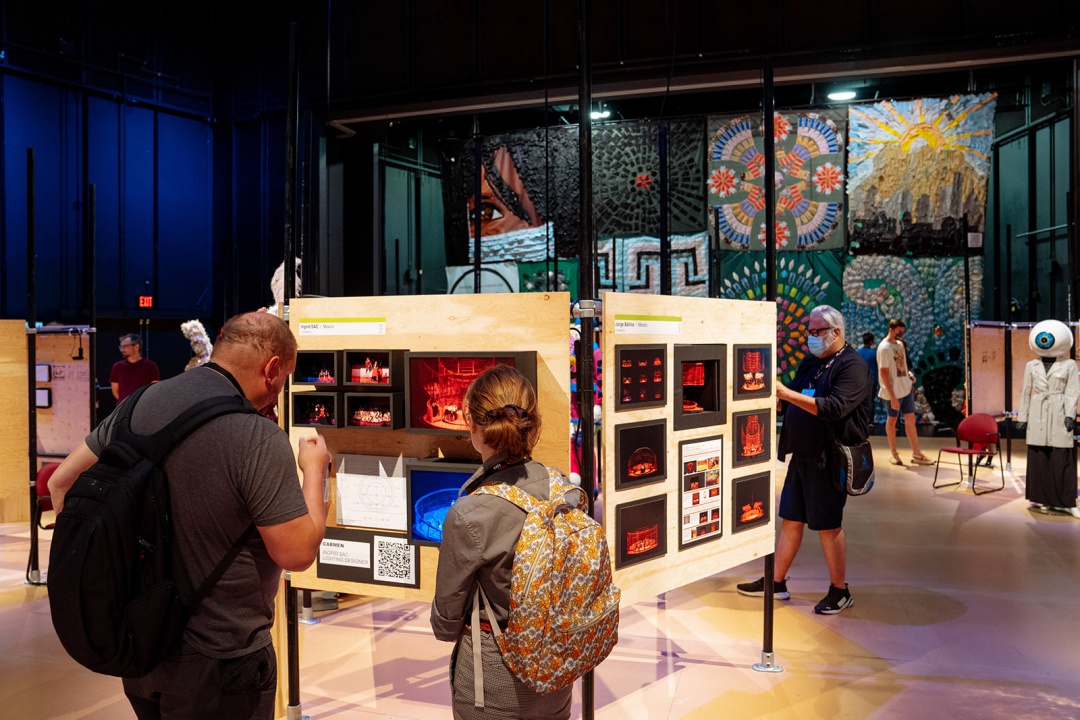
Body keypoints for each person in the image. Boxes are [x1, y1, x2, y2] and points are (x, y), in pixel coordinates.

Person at [49, 312, 330, 720]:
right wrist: (316, 470)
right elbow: (297, 553)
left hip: (142, 643)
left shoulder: (139, 402)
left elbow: (60, 483)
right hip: (223, 658)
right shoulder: (257, 436)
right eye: (284, 377)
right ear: (272, 369)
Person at [430, 365, 572, 719]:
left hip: (492, 684)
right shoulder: (564, 490)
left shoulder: (468, 513)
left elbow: (445, 623)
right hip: (557, 673)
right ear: (532, 424)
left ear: (473, 426)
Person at [737, 305, 872, 615]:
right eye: (808, 331)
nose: (811, 337)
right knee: (791, 519)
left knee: (828, 525)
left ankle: (840, 590)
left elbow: (834, 407)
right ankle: (776, 582)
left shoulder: (853, 366)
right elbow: (791, 401)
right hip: (802, 455)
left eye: (817, 331)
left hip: (830, 457)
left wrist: (785, 393)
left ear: (836, 332)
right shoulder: (812, 362)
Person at [1017, 319, 1080, 518]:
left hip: (1059, 409)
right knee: (1039, 455)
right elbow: (1025, 392)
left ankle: (1067, 502)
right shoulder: (1031, 365)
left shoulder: (1069, 364)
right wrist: (1023, 416)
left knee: (1062, 456)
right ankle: (1043, 498)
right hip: (1038, 410)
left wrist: (1070, 414)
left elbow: (1072, 391)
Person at [877, 319, 933, 466]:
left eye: (902, 332)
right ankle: (894, 453)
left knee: (910, 419)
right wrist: (892, 397)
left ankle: (917, 453)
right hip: (892, 391)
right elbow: (884, 373)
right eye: (899, 332)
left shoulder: (900, 345)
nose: (901, 334)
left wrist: (908, 375)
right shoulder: (884, 348)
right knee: (892, 420)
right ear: (891, 329)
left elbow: (901, 365)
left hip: (905, 388)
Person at [110, 333, 161, 402]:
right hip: (124, 406)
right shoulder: (117, 367)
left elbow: (154, 388)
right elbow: (115, 391)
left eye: (124, 346)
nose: (121, 350)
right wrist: (127, 403)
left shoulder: (150, 366)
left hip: (144, 405)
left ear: (136, 347)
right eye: (120, 347)